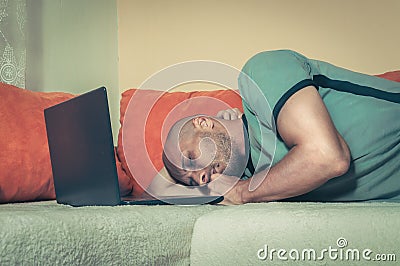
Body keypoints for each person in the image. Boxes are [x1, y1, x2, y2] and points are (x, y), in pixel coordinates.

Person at [158, 50, 400, 204]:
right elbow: (155, 191)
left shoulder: (259, 75)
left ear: (203, 122)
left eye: (191, 158)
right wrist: (184, 175)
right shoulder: (261, 180)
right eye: (193, 182)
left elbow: (326, 157)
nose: (200, 178)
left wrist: (242, 193)